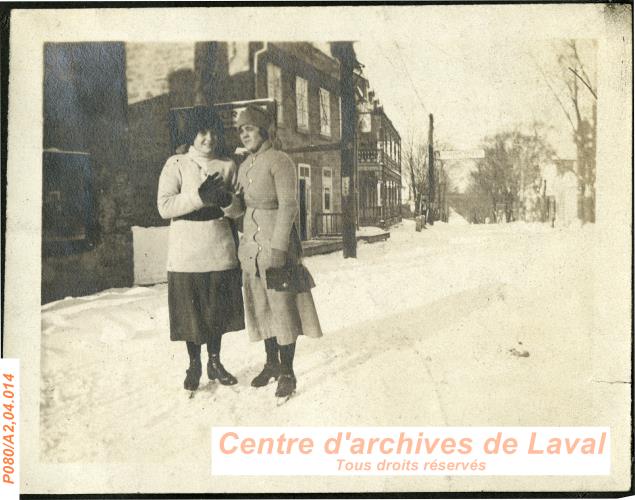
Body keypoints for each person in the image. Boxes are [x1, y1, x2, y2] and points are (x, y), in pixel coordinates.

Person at [236, 105, 322, 398]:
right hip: (251, 247)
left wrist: (279, 248)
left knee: (282, 307)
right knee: (261, 305)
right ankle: (271, 363)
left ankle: (288, 372)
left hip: (276, 244)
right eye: (240, 130)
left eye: (249, 128)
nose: (244, 134)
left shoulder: (280, 160)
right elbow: (240, 208)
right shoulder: (245, 165)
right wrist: (225, 202)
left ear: (262, 129)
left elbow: (289, 206)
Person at [157, 107, 245, 391]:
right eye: (202, 132)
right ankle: (194, 364)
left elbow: (238, 210)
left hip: (219, 248)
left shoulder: (228, 165)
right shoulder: (177, 164)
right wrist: (198, 196)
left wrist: (226, 201)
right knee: (191, 313)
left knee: (217, 310)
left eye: (213, 132)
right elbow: (164, 207)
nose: (208, 139)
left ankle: (215, 362)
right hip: (187, 253)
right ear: (191, 134)